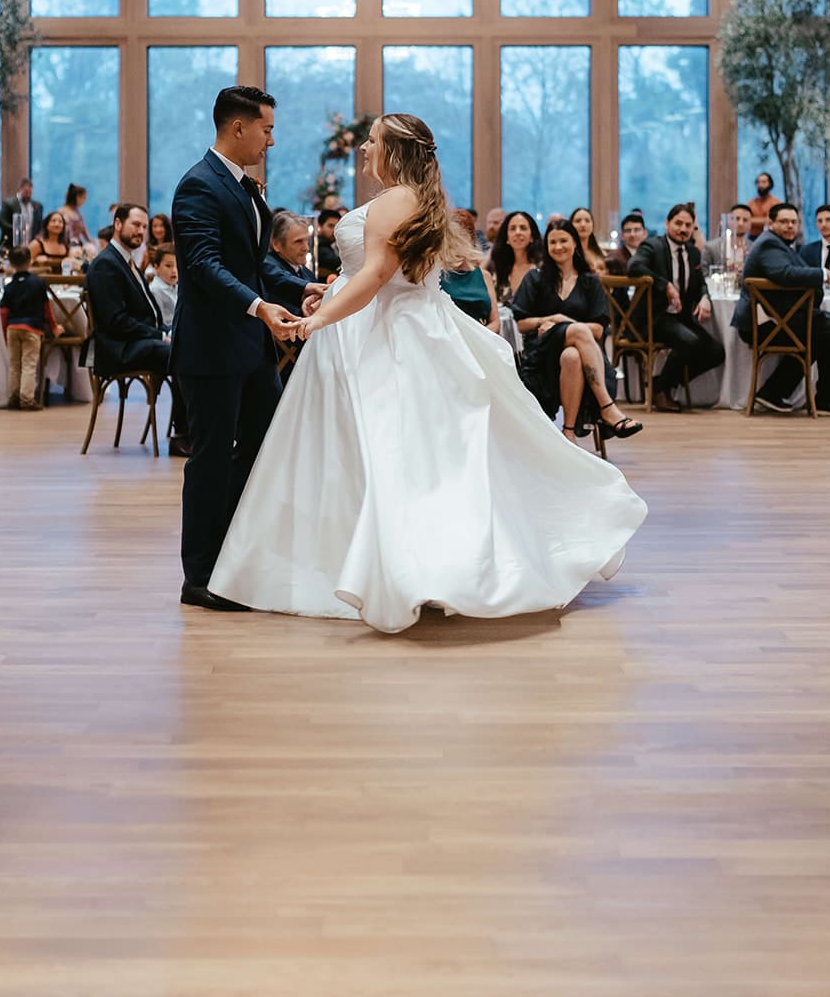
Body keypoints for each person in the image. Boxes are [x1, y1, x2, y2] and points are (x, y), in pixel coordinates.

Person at [209, 114, 647, 633]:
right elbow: (374, 273)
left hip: (379, 330)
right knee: (386, 452)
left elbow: (374, 276)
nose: (365, 148)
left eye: (373, 141)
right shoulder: (417, 196)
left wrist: (318, 319)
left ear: (394, 151)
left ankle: (388, 566)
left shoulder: (396, 200)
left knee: (384, 451)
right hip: (397, 321)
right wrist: (327, 291)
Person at [171, 86, 325, 612]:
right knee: (211, 459)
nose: (271, 140)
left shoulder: (244, 188)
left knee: (265, 445)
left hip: (251, 349)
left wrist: (296, 288)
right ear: (238, 128)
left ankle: (238, 552)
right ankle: (201, 576)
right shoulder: (198, 186)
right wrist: (259, 308)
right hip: (212, 349)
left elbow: (255, 264)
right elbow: (204, 266)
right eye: (267, 129)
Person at [514, 219, 641, 445]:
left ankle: (569, 432)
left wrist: (566, 324)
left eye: (563, 240)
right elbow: (522, 323)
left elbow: (599, 331)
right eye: (553, 242)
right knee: (579, 332)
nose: (558, 247)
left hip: (579, 359)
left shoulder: (590, 282)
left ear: (574, 243)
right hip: (542, 357)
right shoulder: (535, 279)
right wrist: (552, 319)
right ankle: (607, 407)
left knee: (571, 355)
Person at [733, 202, 830, 417]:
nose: (790, 226)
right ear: (770, 223)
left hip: (777, 320)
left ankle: (772, 392)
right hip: (763, 326)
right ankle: (829, 401)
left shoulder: (778, 244)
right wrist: (823, 274)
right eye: (783, 222)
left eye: (793, 222)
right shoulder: (769, 245)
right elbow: (784, 273)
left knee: (821, 334)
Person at [628, 203, 725, 411]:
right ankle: (662, 391)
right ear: (667, 224)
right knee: (689, 342)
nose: (683, 229)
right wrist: (665, 286)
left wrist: (705, 298)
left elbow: (700, 283)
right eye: (678, 223)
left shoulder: (693, 252)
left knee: (716, 352)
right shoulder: (652, 246)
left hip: (680, 318)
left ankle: (661, 384)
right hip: (653, 317)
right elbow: (634, 267)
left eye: (688, 225)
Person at [83, 202, 172, 386]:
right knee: (183, 355)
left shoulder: (126, 261)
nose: (141, 231)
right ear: (118, 224)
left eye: (144, 227)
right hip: (118, 349)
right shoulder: (106, 264)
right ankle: (186, 414)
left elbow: (148, 312)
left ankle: (184, 413)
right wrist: (159, 336)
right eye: (136, 225)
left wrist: (167, 332)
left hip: (137, 342)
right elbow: (115, 321)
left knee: (188, 345)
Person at [0, 245, 57, 410]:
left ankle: (13, 397)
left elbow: (3, 311)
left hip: (12, 327)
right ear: (30, 261)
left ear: (10, 263)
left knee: (14, 364)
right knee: (29, 364)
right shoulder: (38, 283)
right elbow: (47, 309)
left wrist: (5, 331)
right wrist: (53, 327)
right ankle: (27, 399)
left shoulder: (9, 287)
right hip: (32, 328)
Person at [440, 209, 500, 331]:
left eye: (461, 237)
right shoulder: (437, 276)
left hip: (484, 340)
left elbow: (496, 322)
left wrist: (480, 337)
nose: (456, 243)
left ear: (471, 239)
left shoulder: (484, 276)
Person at [488, 210, 542, 306]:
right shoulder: (499, 269)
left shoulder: (541, 269)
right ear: (507, 238)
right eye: (512, 228)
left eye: (523, 228)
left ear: (531, 237)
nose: (518, 232)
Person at [0, 177, 43, 253]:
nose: (28, 194)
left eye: (30, 192)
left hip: (30, 245)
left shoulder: (37, 206)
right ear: (20, 189)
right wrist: (18, 229)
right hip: (11, 244)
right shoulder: (9, 203)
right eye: (26, 191)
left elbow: (39, 224)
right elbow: (2, 222)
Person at [701, 204, 753, 271]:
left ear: (750, 224)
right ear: (728, 220)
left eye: (745, 220)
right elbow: (704, 275)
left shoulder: (754, 249)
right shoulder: (711, 248)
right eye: (737, 218)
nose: (741, 223)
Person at [270, 211, 316, 283]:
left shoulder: (308, 274)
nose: (306, 248)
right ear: (276, 245)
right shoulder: (272, 275)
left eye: (307, 241)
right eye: (298, 241)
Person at [148, 244, 179, 333]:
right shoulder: (155, 290)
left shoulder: (177, 287)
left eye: (177, 266)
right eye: (168, 266)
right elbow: (158, 323)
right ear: (156, 267)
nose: (174, 270)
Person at [569, 208, 608, 276]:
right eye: (578, 221)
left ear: (593, 225)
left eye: (587, 221)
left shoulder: (601, 252)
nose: (583, 225)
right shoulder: (568, 253)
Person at [747, 171, 780, 239]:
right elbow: (745, 220)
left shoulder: (775, 203)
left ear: (770, 184)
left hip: (770, 238)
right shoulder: (751, 203)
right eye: (759, 182)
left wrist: (751, 220)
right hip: (752, 239)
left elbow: (770, 221)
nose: (761, 185)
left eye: (764, 182)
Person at [315, 209, 343, 282]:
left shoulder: (330, 244)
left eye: (337, 226)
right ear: (320, 226)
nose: (334, 230)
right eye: (330, 226)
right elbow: (337, 263)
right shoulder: (320, 245)